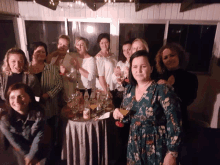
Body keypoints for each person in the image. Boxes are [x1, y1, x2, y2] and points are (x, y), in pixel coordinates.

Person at [113, 50, 182, 165]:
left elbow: (175, 122)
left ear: (151, 68)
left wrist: (172, 153)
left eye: (143, 66)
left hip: (157, 147)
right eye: (134, 67)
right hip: (134, 147)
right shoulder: (129, 90)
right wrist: (118, 113)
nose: (138, 70)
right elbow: (128, 116)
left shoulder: (161, 89)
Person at [0, 83, 50, 165]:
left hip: (38, 146)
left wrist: (31, 156)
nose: (16, 101)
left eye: (21, 96)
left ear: (30, 98)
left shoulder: (39, 114)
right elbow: (15, 142)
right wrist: (28, 156)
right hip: (19, 149)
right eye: (12, 97)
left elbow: (39, 137)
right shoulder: (4, 120)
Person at [155, 43, 198, 131]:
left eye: (172, 55)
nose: (169, 59)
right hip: (159, 122)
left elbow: (188, 100)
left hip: (180, 120)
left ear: (179, 56)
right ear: (162, 61)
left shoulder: (190, 77)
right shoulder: (158, 78)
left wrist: (170, 88)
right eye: (165, 57)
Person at [29, 41, 63, 118]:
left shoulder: (51, 68)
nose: (41, 53)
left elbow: (59, 84)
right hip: (31, 108)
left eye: (43, 52)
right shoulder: (26, 69)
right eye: (38, 51)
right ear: (32, 53)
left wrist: (48, 94)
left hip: (49, 107)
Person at [112, 41, 132, 107]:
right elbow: (114, 80)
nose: (126, 52)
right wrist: (117, 75)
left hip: (132, 93)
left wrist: (124, 80)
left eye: (129, 49)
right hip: (120, 93)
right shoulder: (120, 63)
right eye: (124, 50)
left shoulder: (136, 64)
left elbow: (132, 81)